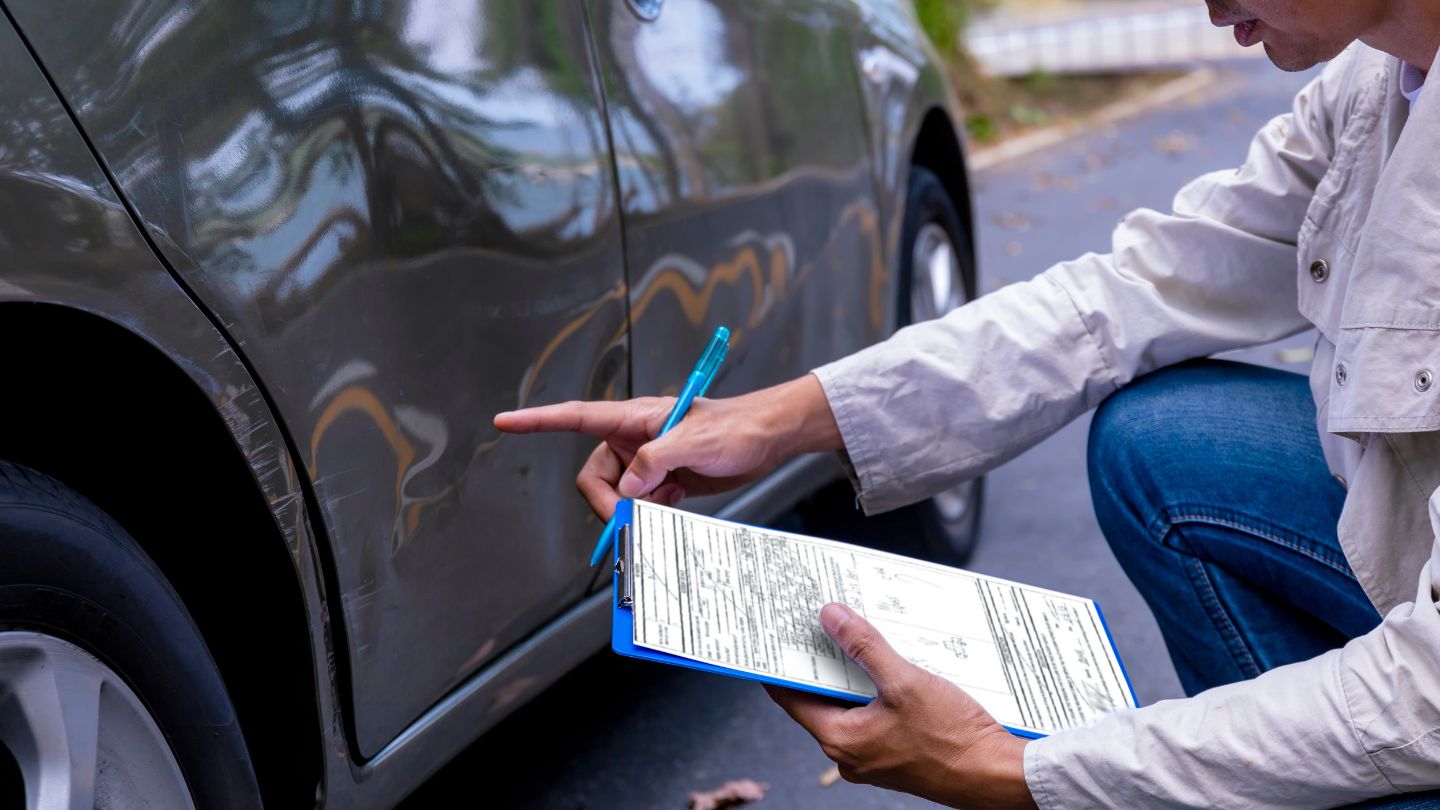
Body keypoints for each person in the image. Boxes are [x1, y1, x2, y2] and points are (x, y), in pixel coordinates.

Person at [494, 1, 1440, 806]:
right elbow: (1124, 295)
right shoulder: (1375, 87)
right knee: (1165, 443)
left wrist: (1011, 770)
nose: (1209, 10)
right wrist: (773, 421)